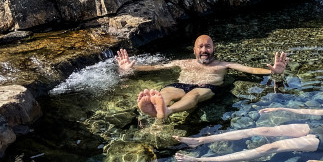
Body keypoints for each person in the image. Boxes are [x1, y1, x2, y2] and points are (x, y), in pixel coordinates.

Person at [173, 71, 323, 162]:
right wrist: (282, 109)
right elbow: (316, 111)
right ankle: (199, 141)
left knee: (272, 146)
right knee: (263, 129)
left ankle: (205, 161)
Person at [116, 35, 289, 120]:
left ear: (213, 49)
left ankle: (167, 111)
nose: (204, 50)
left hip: (206, 87)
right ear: (194, 50)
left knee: (194, 95)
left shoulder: (223, 64)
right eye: (201, 46)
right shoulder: (183, 62)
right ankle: (157, 107)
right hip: (181, 84)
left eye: (208, 46)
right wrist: (132, 68)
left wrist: (273, 72)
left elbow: (250, 69)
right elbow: (155, 67)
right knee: (166, 91)